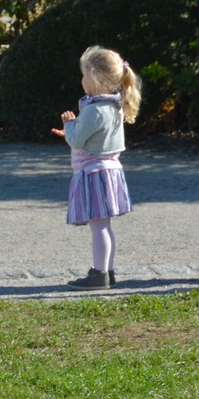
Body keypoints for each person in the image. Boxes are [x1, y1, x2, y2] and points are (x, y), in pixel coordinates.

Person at [55, 45, 139, 290]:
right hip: (109, 171)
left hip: (94, 173)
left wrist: (69, 126)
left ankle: (99, 274)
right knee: (104, 226)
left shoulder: (95, 110)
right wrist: (73, 130)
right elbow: (92, 137)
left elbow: (77, 140)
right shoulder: (114, 106)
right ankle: (107, 271)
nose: (81, 80)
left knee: (98, 226)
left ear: (94, 76)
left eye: (84, 75)